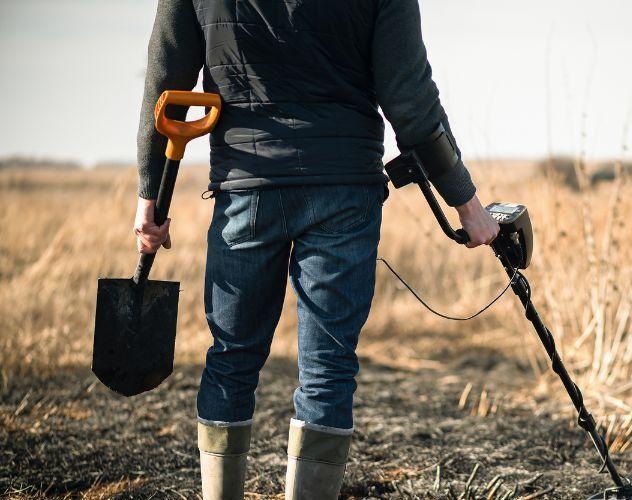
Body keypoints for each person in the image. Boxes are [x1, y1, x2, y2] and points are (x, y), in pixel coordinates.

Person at [134, 1, 500, 498]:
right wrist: (467, 203)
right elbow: (409, 99)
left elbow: (165, 81)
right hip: (343, 190)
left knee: (231, 358)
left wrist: (149, 196)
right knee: (327, 368)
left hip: (247, 190)